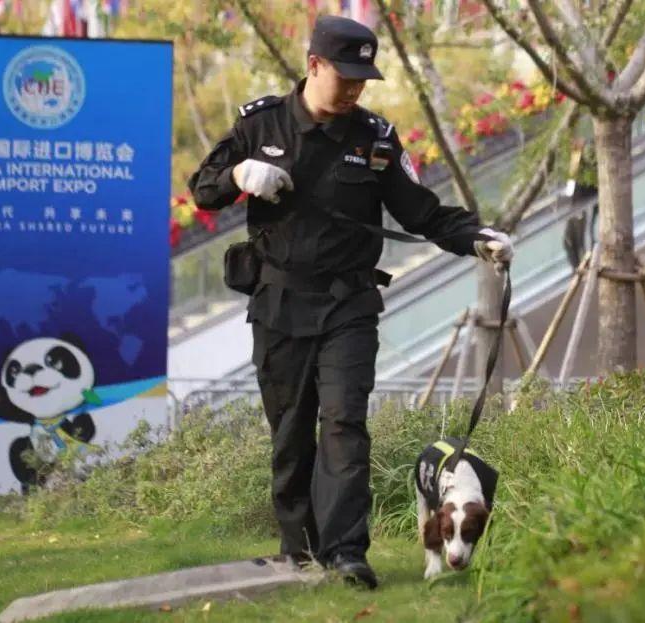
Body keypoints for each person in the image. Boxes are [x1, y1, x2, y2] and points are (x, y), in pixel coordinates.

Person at [188, 15, 513, 589]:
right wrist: (240, 171)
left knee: (344, 423)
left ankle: (345, 553)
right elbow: (203, 188)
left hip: (349, 305)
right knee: (290, 432)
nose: (357, 88)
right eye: (347, 76)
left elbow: (423, 213)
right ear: (314, 64)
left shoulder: (376, 140)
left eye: (365, 78)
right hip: (280, 304)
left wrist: (478, 238)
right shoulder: (260, 123)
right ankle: (299, 549)